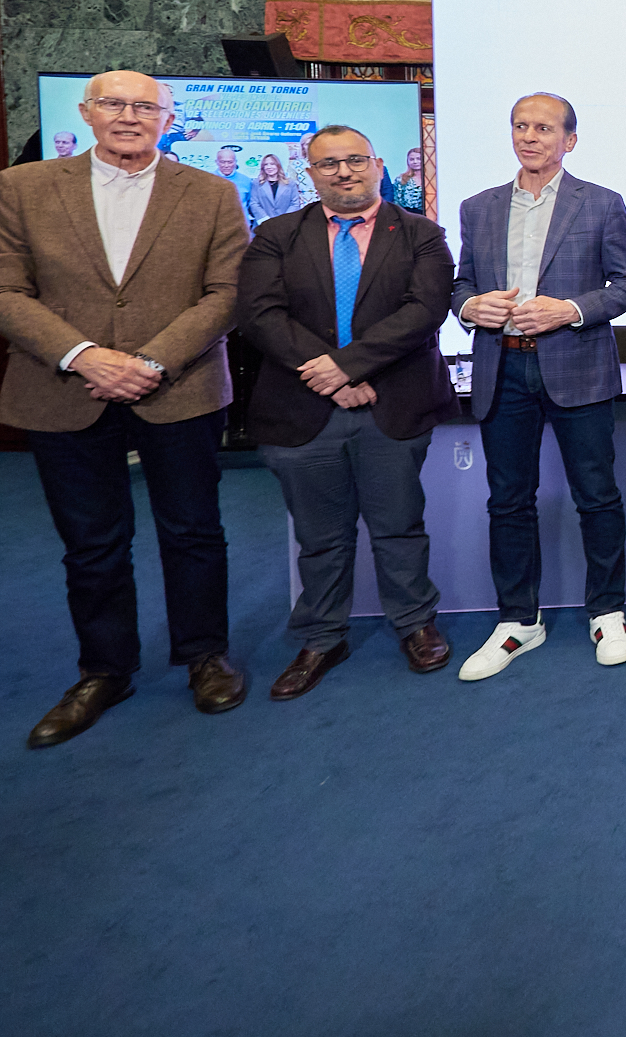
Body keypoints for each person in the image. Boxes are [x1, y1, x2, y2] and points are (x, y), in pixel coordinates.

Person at [1, 71, 249, 748]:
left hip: (178, 388)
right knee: (92, 543)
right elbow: (6, 291)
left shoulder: (213, 194)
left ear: (168, 119)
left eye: (147, 106)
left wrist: (149, 363)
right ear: (87, 113)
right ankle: (104, 671)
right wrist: (84, 354)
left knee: (194, 531)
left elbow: (226, 294)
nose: (130, 116)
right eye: (114, 103)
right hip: (62, 389)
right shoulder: (22, 189)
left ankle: (205, 655)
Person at [237, 125, 457, 698]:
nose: (344, 172)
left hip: (391, 403)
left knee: (399, 526)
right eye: (329, 163)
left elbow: (424, 310)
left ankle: (414, 624)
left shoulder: (421, 235)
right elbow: (260, 313)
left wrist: (350, 367)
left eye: (356, 160)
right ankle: (322, 637)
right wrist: (327, 374)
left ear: (377, 164)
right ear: (308, 173)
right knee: (320, 535)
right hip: (302, 406)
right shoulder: (276, 236)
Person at [451, 93, 626, 680]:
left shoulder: (602, 203)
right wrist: (470, 307)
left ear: (570, 140)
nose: (529, 136)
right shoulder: (478, 207)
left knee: (597, 495)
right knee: (509, 500)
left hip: (576, 365)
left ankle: (607, 611)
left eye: (543, 127)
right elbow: (459, 285)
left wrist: (569, 310)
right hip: (501, 368)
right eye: (520, 126)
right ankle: (518, 619)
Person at [245, 151, 305, 229]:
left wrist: (284, 220)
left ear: (278, 166)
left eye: (272, 164)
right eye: (266, 164)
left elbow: (295, 204)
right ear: (263, 167)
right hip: (263, 227)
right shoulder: (256, 183)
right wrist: (266, 221)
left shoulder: (290, 183)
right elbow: (254, 203)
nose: (269, 167)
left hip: (285, 227)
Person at [391, 147, 426, 212]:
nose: (415, 162)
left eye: (419, 159)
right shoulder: (400, 179)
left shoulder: (432, 181)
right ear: (408, 161)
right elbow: (397, 202)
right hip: (407, 216)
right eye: (412, 159)